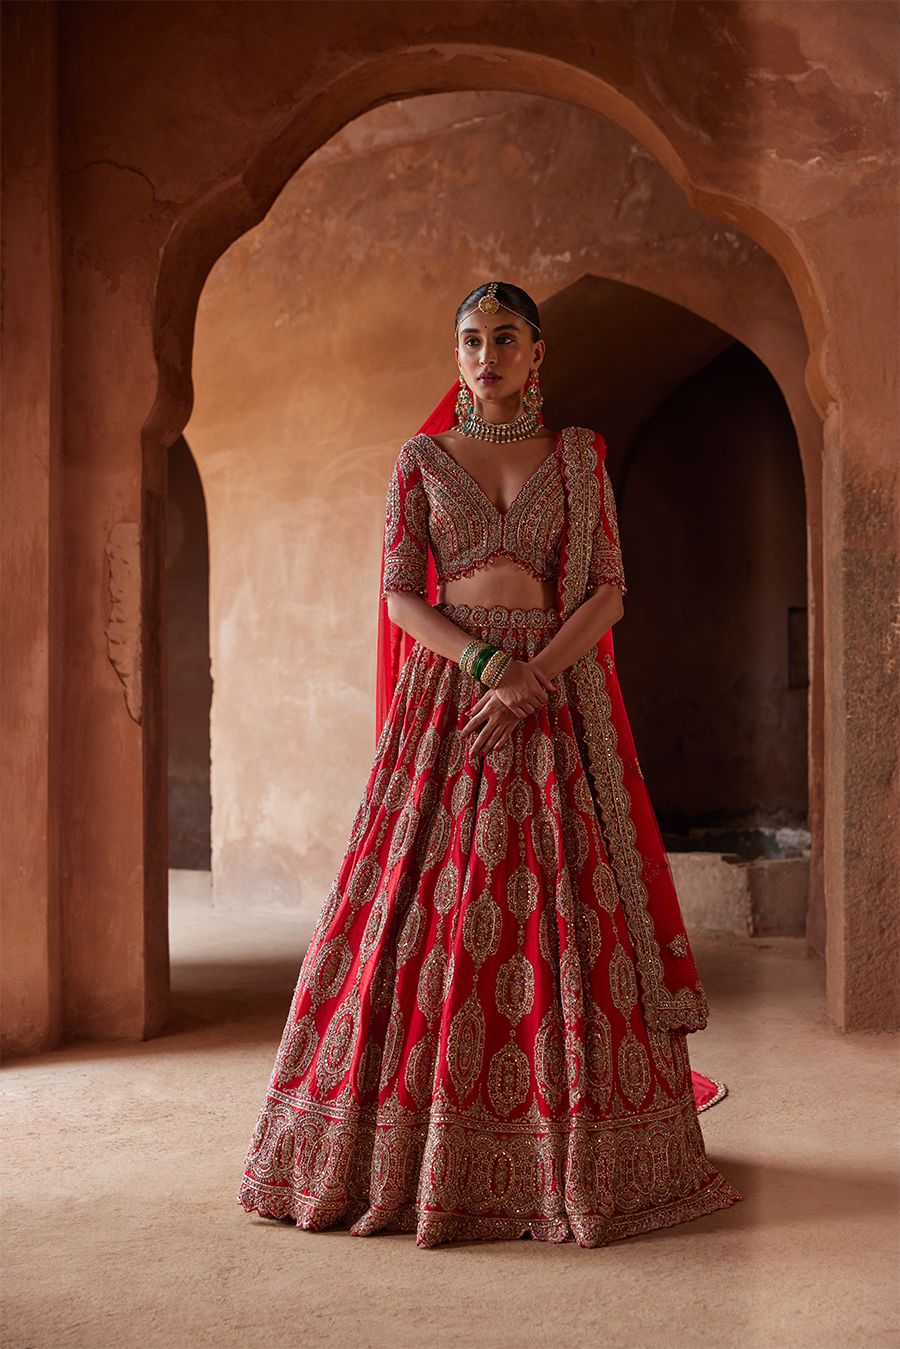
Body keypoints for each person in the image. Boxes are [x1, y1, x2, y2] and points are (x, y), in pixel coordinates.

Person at [239, 281, 740, 1247]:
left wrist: (533, 676)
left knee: (565, 911)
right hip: (450, 703)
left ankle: (570, 1155)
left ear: (537, 352)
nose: (486, 355)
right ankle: (412, 1150)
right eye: (471, 340)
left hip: (550, 702)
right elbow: (400, 596)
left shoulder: (580, 457)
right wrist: (485, 666)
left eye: (505, 338)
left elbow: (607, 591)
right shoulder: (421, 460)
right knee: (424, 914)